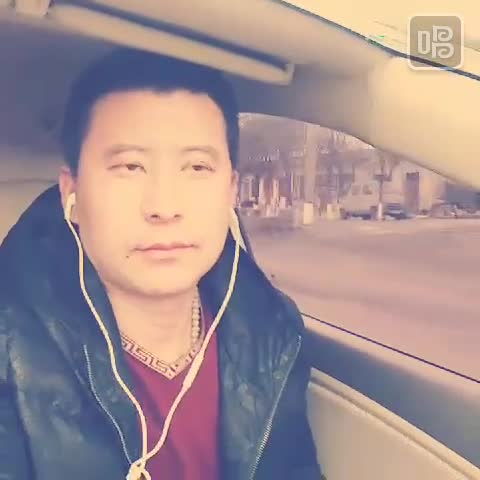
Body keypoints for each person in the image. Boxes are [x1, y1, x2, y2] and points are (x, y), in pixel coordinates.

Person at [0, 47, 320, 480]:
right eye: (130, 166)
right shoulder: (10, 348)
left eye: (197, 167)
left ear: (230, 190)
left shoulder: (272, 329)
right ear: (71, 193)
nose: (165, 207)